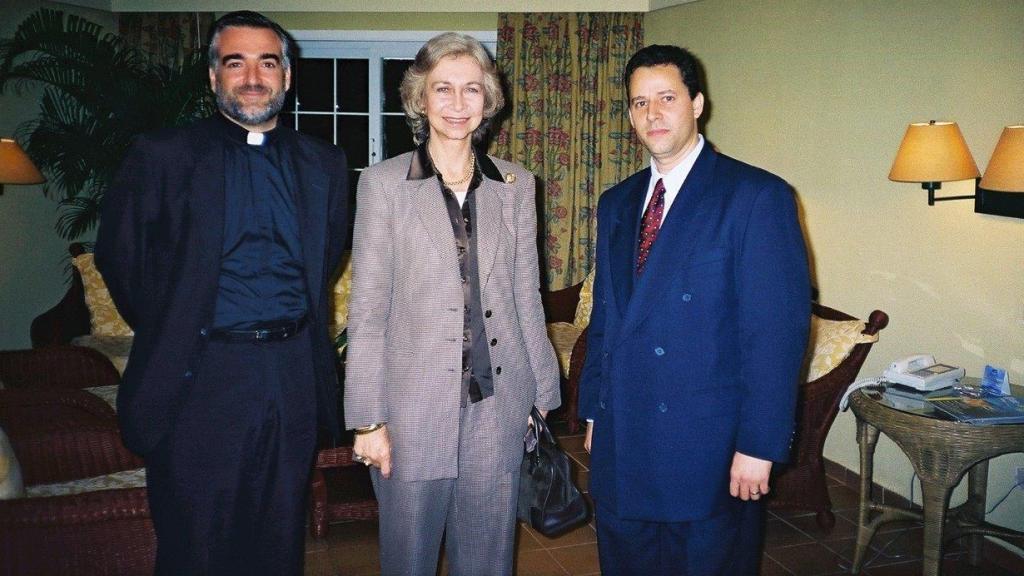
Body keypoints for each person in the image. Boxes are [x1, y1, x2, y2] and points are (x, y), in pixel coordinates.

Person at [95, 11, 350, 575]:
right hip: (201, 376)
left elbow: (324, 258)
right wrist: (178, 323)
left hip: (289, 376)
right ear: (214, 77)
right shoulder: (162, 156)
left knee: (279, 538)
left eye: (267, 62)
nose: (252, 76)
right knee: (196, 544)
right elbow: (121, 259)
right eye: (236, 63)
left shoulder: (323, 164)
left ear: (287, 75)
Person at [578, 44, 811, 576]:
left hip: (707, 443)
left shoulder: (755, 196)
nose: (652, 114)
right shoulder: (617, 202)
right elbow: (608, 319)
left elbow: (775, 334)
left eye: (666, 98)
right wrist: (594, 408)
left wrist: (759, 445)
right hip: (623, 432)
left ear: (697, 103)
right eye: (639, 103)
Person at [344, 32, 561, 576]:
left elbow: (525, 295)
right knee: (409, 559)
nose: (458, 104)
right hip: (411, 408)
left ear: (488, 100)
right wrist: (367, 419)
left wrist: (542, 394)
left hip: (498, 403)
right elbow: (367, 310)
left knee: (488, 560)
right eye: (443, 89)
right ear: (420, 98)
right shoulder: (383, 184)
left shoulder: (516, 184)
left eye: (471, 90)